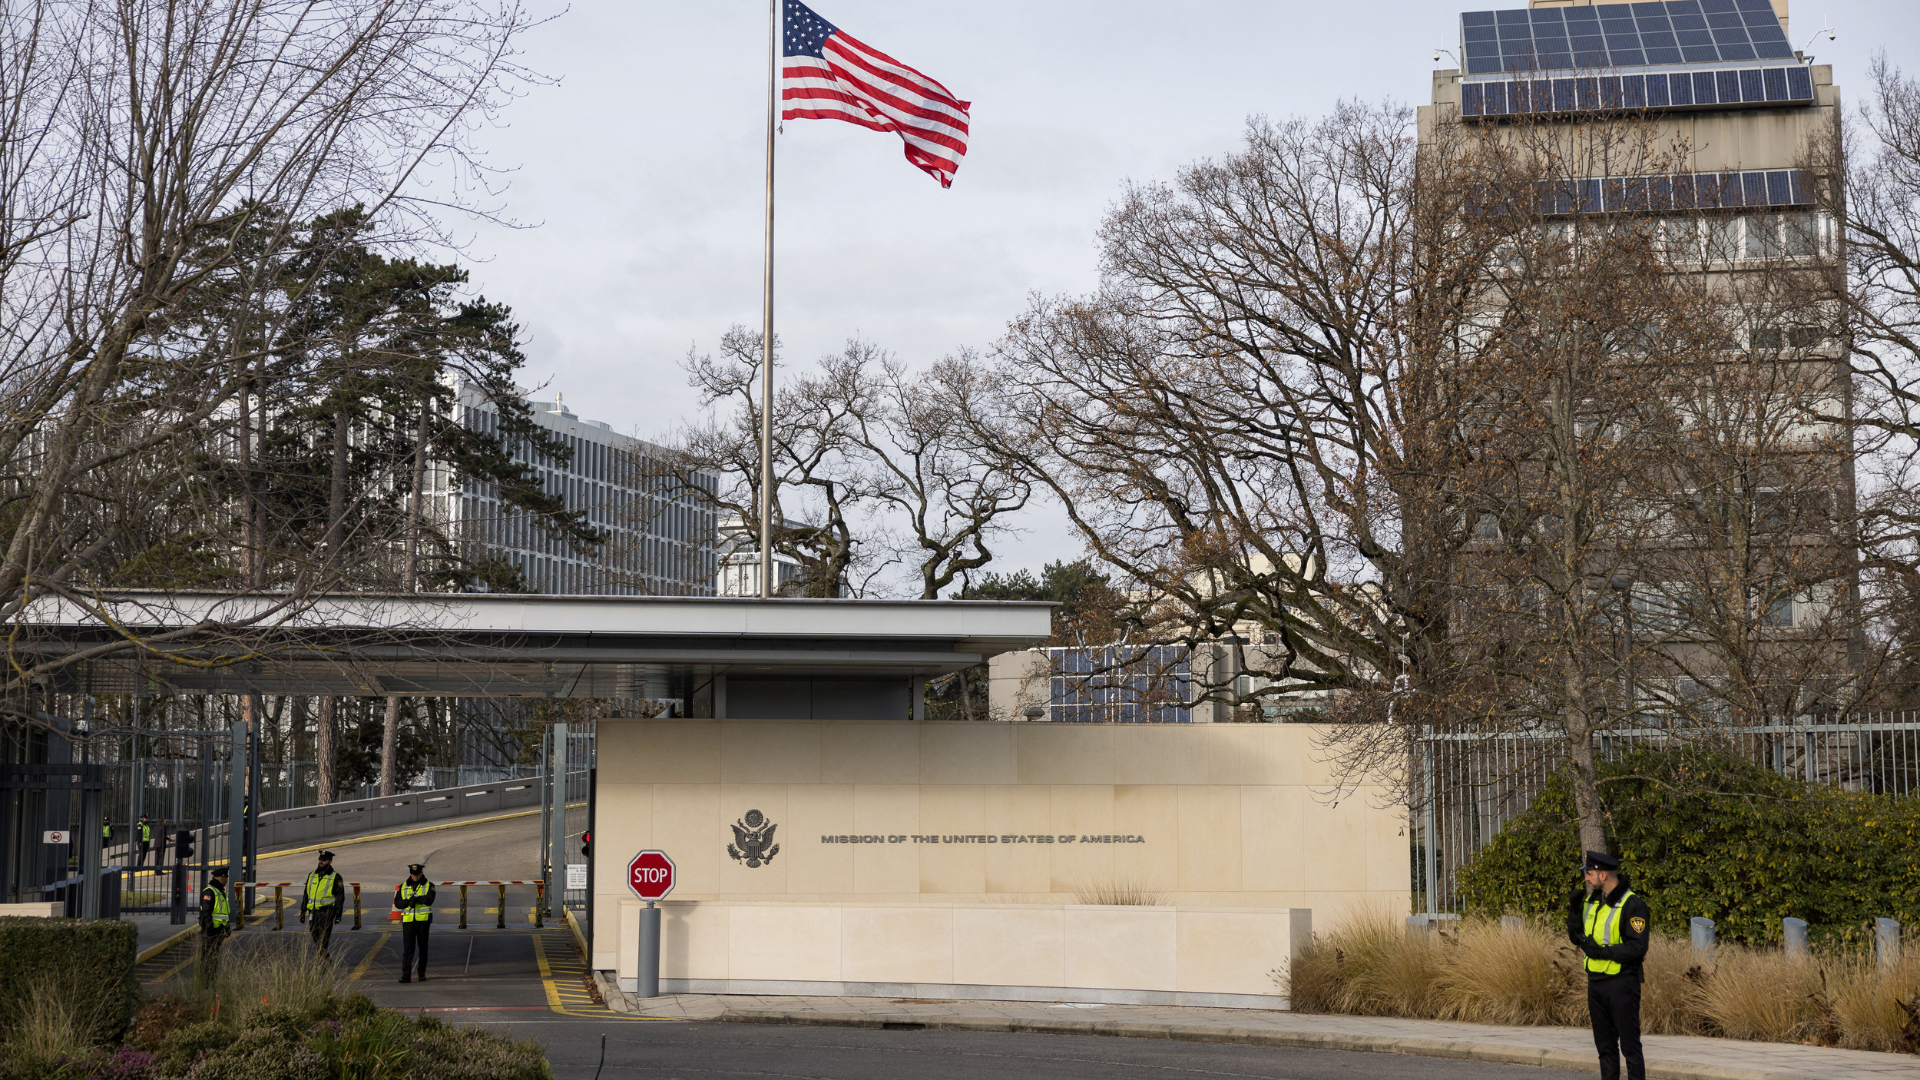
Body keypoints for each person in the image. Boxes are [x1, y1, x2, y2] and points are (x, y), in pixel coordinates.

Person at [1567, 850, 1652, 1080]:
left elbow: (1637, 948)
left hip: (1622, 984)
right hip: (1595, 984)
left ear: (1603, 875)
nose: (1586, 878)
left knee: (1630, 1047)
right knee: (1604, 1048)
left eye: (1589, 874)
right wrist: (1573, 912)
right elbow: (1577, 939)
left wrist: (1602, 952)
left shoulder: (1632, 904)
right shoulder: (1591, 901)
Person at [392, 864, 435, 983]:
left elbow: (430, 900)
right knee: (408, 950)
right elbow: (397, 903)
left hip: (423, 921)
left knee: (423, 948)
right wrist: (408, 901)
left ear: (421, 873)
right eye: (412, 874)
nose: (414, 877)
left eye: (416, 874)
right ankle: (406, 975)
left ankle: (421, 973)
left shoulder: (429, 885)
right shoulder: (403, 886)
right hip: (408, 922)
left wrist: (418, 899)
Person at [305, 851, 347, 958]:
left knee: (324, 937)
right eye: (320, 859)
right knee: (314, 934)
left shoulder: (335, 877)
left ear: (330, 861)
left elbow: (340, 897)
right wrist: (302, 911)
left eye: (324, 860)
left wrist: (338, 915)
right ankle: (325, 958)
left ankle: (322, 961)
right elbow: (306, 894)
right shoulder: (312, 875)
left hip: (327, 912)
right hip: (313, 911)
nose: (321, 861)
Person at [198, 866, 232, 985]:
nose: (226, 880)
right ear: (222, 878)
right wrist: (210, 929)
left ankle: (212, 980)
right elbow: (206, 912)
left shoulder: (220, 891)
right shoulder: (210, 891)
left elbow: (224, 912)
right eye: (226, 878)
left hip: (219, 930)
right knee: (208, 956)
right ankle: (205, 982)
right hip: (211, 931)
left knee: (214, 956)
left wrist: (227, 927)